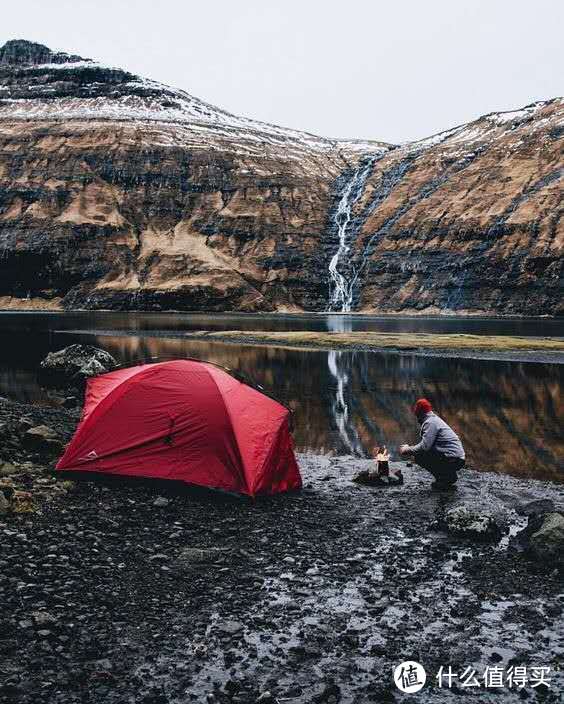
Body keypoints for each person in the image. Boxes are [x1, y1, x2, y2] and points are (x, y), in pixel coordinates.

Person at [399, 398, 465, 488]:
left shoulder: (430, 423)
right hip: (456, 457)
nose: (417, 418)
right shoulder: (433, 420)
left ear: (420, 413)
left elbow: (424, 447)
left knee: (419, 456)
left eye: (417, 415)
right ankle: (448, 476)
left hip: (454, 459)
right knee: (423, 453)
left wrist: (408, 449)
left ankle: (445, 479)